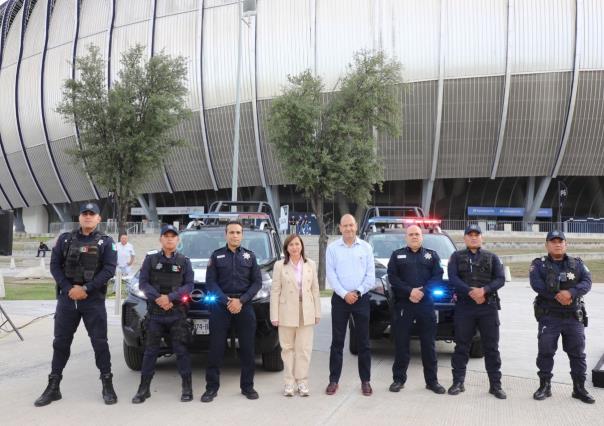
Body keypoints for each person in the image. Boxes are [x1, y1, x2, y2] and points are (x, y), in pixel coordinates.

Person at [35, 202, 117, 407]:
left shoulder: (106, 242)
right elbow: (55, 265)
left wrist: (86, 289)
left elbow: (109, 270)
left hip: (93, 300)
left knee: (100, 343)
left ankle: (107, 384)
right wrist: (68, 288)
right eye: (84, 214)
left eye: (92, 214)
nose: (88, 217)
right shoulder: (64, 239)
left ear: (99, 219)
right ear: (79, 217)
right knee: (60, 343)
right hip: (68, 298)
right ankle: (53, 387)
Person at [529, 230, 595, 404]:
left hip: (573, 317)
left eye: (560, 241)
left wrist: (571, 293)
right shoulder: (538, 265)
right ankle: (545, 386)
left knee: (577, 353)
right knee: (545, 351)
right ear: (547, 245)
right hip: (549, 317)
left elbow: (587, 282)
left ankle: (579, 388)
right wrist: (559, 296)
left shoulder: (577, 264)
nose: (557, 244)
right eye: (553, 241)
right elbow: (537, 285)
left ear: (566, 244)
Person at [131, 225, 194, 403]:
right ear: (160, 239)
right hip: (156, 314)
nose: (169, 239)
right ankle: (144, 389)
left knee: (181, 351)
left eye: (173, 236)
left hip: (177, 313)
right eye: (166, 236)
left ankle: (187, 388)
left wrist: (171, 297)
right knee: (150, 352)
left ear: (178, 240)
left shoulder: (184, 261)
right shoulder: (150, 260)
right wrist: (159, 298)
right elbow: (143, 283)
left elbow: (189, 286)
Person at [201, 220, 262, 402]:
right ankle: (211, 388)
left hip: (244, 305)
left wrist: (241, 301)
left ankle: (248, 387)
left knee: (248, 349)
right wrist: (227, 300)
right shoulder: (217, 255)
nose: (235, 235)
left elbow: (257, 282)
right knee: (216, 348)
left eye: (238, 232)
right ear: (226, 235)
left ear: (242, 235)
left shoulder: (250, 257)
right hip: (221, 306)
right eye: (231, 232)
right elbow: (210, 282)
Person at [447, 224, 507, 399]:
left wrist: (484, 290)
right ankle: (458, 382)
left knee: (491, 348)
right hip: (465, 307)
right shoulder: (456, 257)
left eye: (477, 235)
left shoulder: (492, 257)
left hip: (488, 307)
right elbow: (453, 278)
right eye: (470, 235)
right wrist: (471, 292)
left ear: (482, 238)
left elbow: (500, 279)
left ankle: (495, 385)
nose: (473, 237)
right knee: (461, 346)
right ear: (465, 238)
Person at [387, 225, 446, 394]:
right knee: (402, 344)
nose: (414, 237)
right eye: (411, 234)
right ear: (406, 237)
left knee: (428, 345)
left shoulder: (432, 255)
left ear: (422, 237)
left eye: (417, 234)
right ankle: (398, 380)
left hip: (425, 304)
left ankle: (432, 382)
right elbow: (392, 277)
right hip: (404, 304)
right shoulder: (397, 255)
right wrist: (409, 291)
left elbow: (438, 276)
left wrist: (422, 292)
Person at [325, 214, 375, 396]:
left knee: (364, 342)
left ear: (356, 226)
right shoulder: (332, 249)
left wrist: (358, 292)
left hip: (361, 299)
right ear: (340, 228)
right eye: (345, 226)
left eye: (351, 225)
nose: (348, 228)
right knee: (337, 342)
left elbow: (371, 276)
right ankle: (333, 380)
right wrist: (345, 294)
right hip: (340, 299)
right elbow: (331, 275)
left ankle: (366, 381)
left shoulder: (366, 247)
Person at [270, 234, 321, 397]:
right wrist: (274, 315)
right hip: (286, 311)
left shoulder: (310, 264)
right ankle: (289, 383)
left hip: (306, 310)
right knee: (287, 349)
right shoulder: (280, 265)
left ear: (302, 246)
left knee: (304, 349)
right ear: (286, 248)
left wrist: (317, 312)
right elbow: (275, 291)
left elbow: (315, 289)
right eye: (291, 244)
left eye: (297, 244)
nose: (294, 247)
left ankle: (302, 382)